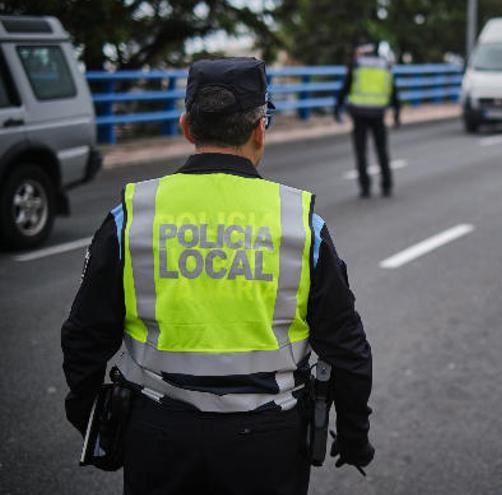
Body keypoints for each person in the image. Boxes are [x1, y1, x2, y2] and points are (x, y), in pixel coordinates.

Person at [61, 57, 374, 495]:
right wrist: (355, 437)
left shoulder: (133, 215)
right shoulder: (299, 223)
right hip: (268, 442)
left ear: (187, 127)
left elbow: (83, 338)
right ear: (260, 127)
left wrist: (94, 422)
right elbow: (348, 349)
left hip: (157, 434)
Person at [336, 42, 401, 198]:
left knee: (361, 152)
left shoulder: (357, 64)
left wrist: (337, 108)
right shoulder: (385, 65)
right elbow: (393, 91)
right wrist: (397, 113)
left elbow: (345, 88)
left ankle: (365, 188)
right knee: (382, 151)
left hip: (359, 113)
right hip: (378, 113)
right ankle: (387, 185)